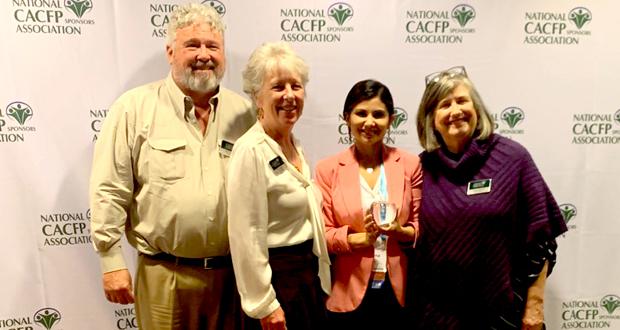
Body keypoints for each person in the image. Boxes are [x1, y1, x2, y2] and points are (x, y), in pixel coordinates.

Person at [89, 4, 255, 329]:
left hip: (233, 279)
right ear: (170, 52)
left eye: (213, 46)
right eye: (192, 45)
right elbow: (109, 187)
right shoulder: (133, 109)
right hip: (165, 277)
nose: (203, 55)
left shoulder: (246, 114)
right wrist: (110, 259)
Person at [410, 66, 568, 329]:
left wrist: (535, 304)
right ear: (430, 118)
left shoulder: (511, 158)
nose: (455, 111)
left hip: (505, 312)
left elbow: (543, 239)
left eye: (462, 101)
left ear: (477, 108)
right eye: (444, 105)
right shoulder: (420, 168)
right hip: (437, 317)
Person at [227, 42, 331, 330]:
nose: (289, 96)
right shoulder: (251, 150)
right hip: (277, 286)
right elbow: (245, 236)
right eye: (278, 87)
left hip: (305, 280)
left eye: (296, 86)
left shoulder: (293, 145)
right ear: (257, 96)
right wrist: (265, 305)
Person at [314, 79, 423, 329]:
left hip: (398, 291)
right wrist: (362, 239)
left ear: (391, 120)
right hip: (347, 290)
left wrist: (399, 231)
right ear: (347, 118)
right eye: (361, 113)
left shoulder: (409, 164)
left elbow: (419, 227)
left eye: (378, 114)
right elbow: (324, 235)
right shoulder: (327, 169)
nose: (370, 122)